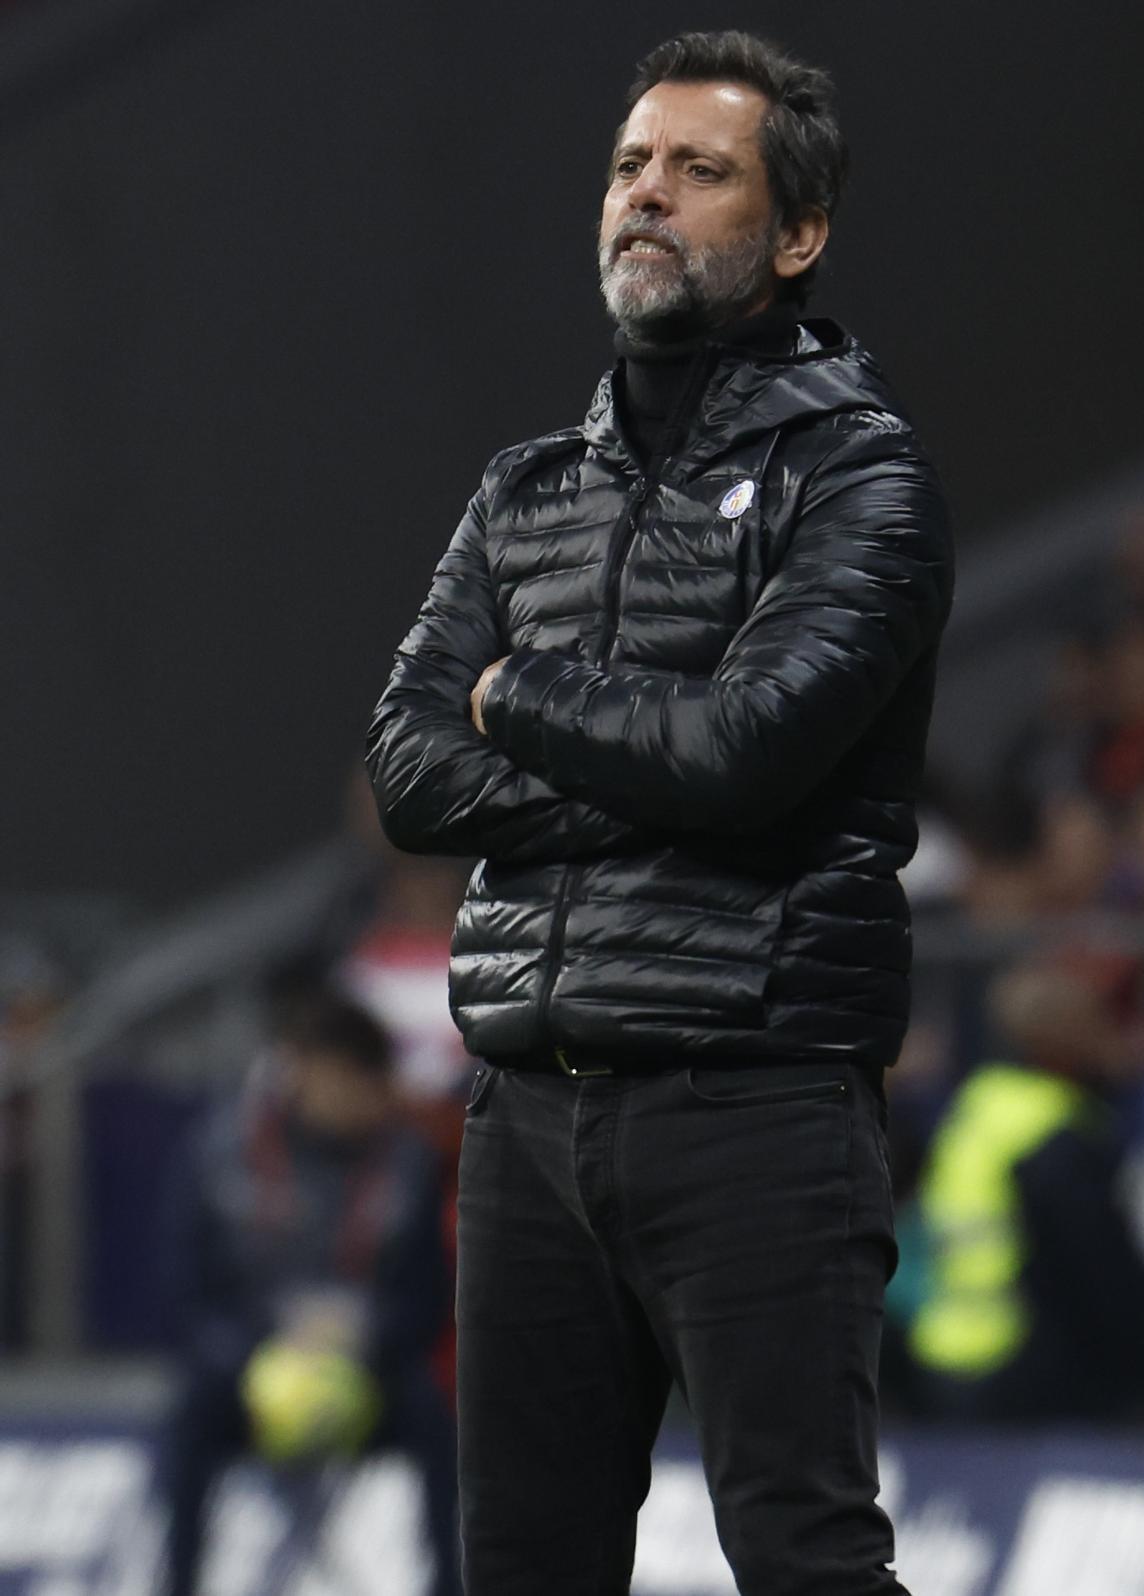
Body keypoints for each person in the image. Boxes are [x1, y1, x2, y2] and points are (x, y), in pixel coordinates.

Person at [367, 30, 953, 1596]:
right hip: (526, 1120)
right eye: (633, 165)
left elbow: (750, 752)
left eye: (703, 172)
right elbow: (410, 769)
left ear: (798, 233)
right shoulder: (524, 490)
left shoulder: (865, 478)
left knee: (806, 1560)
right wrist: (664, 772)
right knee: (524, 1569)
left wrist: (524, 696)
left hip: (753, 1097)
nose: (648, 196)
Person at [157, 990, 461, 1596]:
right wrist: (260, 1349)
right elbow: (184, 1293)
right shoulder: (222, 1152)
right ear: (297, 1072)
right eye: (333, 1077)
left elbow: (431, 1296)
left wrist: (364, 1337)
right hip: (249, 1367)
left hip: (370, 1371)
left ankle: (449, 1584)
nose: (347, 1096)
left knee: (438, 1417)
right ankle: (178, 1583)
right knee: (190, 1415)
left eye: (363, 1081)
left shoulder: (409, 1162)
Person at [908, 961, 1144, 1423]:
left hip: (947, 1353)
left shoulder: (973, 1110)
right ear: (1059, 1041)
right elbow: (1095, 1276)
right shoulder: (1056, 1135)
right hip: (1032, 1372)